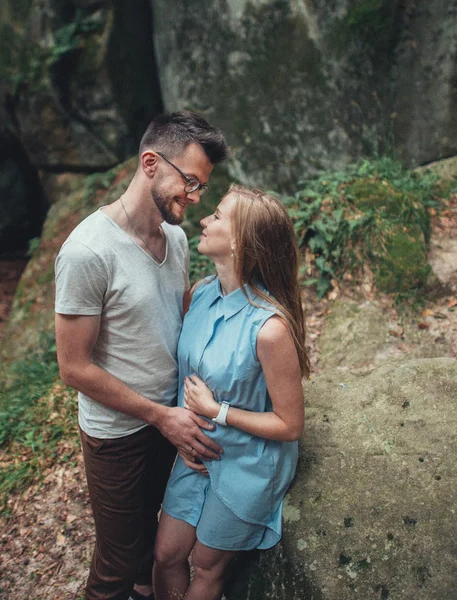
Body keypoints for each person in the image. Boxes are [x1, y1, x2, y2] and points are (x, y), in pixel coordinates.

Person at [54, 111, 227, 600]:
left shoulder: (174, 238)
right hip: (119, 436)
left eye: (201, 188)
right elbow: (74, 367)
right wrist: (159, 416)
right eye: (189, 181)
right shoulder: (88, 252)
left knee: (148, 551)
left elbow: (165, 323)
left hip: (169, 420)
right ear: (151, 163)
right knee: (115, 566)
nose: (194, 198)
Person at [153, 184, 310, 600]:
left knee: (205, 564)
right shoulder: (200, 295)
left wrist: (216, 411)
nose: (204, 219)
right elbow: (183, 380)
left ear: (241, 241)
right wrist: (185, 431)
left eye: (217, 216)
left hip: (248, 463)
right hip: (197, 451)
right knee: (166, 553)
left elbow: (290, 424)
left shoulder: (270, 328)